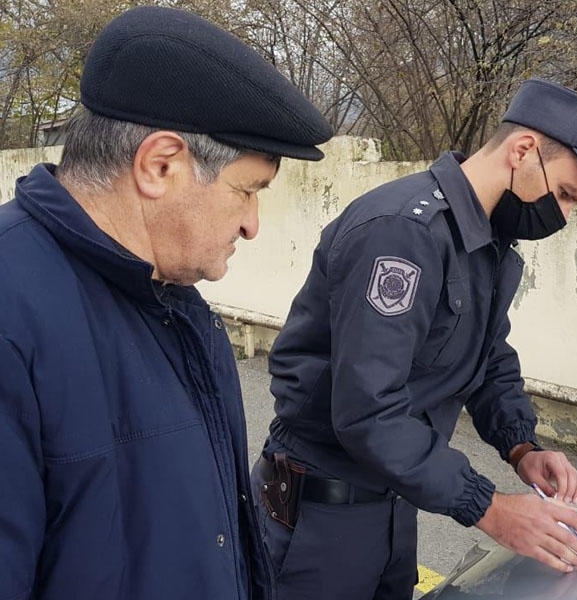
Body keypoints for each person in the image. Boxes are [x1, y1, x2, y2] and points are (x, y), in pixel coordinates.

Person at [0, 6, 332, 600]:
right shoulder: (13, 316)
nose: (253, 225)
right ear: (161, 164)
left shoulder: (174, 302)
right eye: (247, 191)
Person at [251, 78, 577, 599]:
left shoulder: (484, 242)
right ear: (522, 151)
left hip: (391, 508)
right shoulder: (403, 233)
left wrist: (521, 446)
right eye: (563, 193)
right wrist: (489, 508)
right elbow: (367, 410)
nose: (564, 214)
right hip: (319, 520)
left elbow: (488, 356)